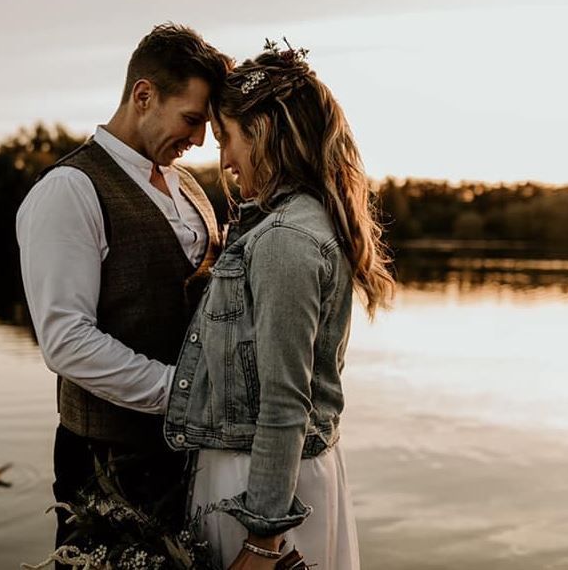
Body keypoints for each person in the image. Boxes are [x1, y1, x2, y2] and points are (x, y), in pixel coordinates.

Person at [163, 40, 396, 569]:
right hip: (275, 480)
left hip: (262, 490)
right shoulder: (290, 225)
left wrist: (261, 540)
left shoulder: (285, 240)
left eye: (227, 138)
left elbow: (285, 402)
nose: (225, 159)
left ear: (262, 132)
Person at [15, 23, 232, 559]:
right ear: (143, 96)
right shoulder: (70, 190)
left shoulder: (186, 186)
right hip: (106, 461)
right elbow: (65, 341)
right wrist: (180, 394)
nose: (200, 139)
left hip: (187, 456)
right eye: (191, 119)